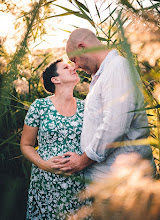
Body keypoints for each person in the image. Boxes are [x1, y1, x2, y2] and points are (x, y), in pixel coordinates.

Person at [53, 28, 156, 181]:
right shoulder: (103, 74)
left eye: (74, 59)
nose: (75, 67)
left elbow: (114, 125)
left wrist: (81, 162)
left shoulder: (117, 68)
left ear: (82, 47)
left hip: (125, 182)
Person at [20, 59, 86, 220]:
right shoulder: (39, 106)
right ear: (55, 79)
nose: (73, 68)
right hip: (46, 182)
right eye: (66, 67)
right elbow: (26, 144)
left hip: (78, 182)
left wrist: (82, 161)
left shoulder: (86, 106)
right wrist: (44, 164)